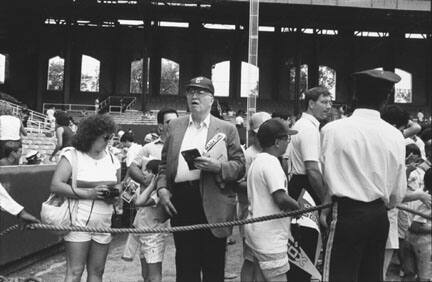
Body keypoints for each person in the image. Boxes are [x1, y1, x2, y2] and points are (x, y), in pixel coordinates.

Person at [320, 69, 407, 282]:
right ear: (385, 99)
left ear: (355, 96)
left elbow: (326, 174)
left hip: (347, 214)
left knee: (339, 276)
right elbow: (398, 191)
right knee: (371, 275)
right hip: (379, 215)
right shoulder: (395, 135)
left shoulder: (332, 130)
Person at [156, 76, 245, 282]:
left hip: (214, 200)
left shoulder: (227, 128)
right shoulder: (175, 126)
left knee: (213, 266)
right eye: (190, 92)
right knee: (186, 265)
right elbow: (163, 165)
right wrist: (162, 189)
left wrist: (218, 167)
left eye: (200, 92)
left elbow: (240, 167)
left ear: (211, 99)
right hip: (182, 200)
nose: (194, 96)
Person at [50, 114, 121, 282]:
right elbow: (56, 185)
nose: (108, 141)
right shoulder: (72, 155)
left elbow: (118, 185)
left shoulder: (112, 158)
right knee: (75, 271)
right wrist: (89, 193)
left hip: (103, 222)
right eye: (106, 137)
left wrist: (114, 195)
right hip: (78, 220)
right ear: (92, 134)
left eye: (111, 137)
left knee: (97, 272)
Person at [242, 118, 299, 282]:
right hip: (270, 235)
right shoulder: (271, 163)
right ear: (276, 142)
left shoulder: (258, 160)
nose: (288, 143)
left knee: (259, 276)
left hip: (256, 228)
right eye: (286, 139)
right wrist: (298, 207)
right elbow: (280, 198)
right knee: (277, 277)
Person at [284, 87, 331, 282]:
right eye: (324, 102)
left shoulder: (302, 124)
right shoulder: (309, 128)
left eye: (330, 102)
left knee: (301, 247)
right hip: (306, 188)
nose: (328, 107)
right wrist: (324, 202)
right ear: (311, 103)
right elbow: (312, 170)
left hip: (298, 184)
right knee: (306, 246)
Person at [122, 159, 168, 282]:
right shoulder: (139, 187)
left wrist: (153, 185)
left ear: (155, 175)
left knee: (154, 276)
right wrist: (127, 186)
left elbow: (139, 202)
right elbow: (125, 197)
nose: (144, 173)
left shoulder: (159, 192)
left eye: (148, 171)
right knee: (145, 274)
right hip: (141, 234)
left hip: (154, 236)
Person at [129, 108, 178, 184]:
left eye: (176, 121)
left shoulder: (184, 146)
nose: (174, 124)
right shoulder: (148, 147)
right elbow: (133, 167)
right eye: (169, 122)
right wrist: (144, 180)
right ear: (161, 126)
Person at [405, 168, 432, 281]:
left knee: (412, 275)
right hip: (423, 245)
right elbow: (415, 226)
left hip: (415, 242)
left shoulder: (420, 195)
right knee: (424, 277)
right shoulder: (428, 201)